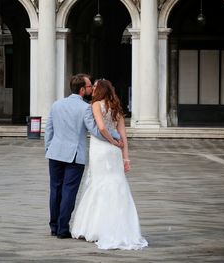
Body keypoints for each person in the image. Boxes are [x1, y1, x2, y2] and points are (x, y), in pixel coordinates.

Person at [71, 79, 148, 250]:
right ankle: (118, 226)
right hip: (113, 152)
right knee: (116, 183)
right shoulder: (116, 108)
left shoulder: (96, 105)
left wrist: (112, 141)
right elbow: (124, 135)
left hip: (101, 148)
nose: (93, 89)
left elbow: (101, 128)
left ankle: (95, 228)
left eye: (96, 87)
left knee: (98, 183)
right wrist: (125, 158)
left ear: (100, 90)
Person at [45, 74, 122, 239]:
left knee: (55, 190)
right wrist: (116, 136)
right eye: (88, 86)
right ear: (81, 90)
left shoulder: (56, 104)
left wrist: (48, 149)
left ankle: (54, 226)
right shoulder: (85, 107)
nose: (90, 89)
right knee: (69, 192)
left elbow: (49, 129)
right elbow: (95, 130)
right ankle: (62, 229)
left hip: (55, 153)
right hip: (74, 155)